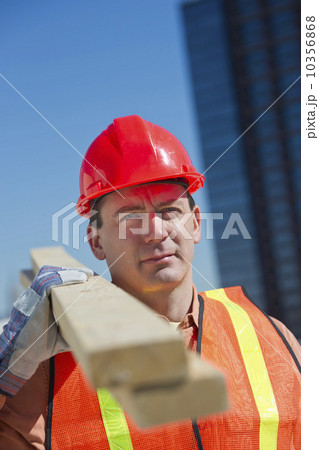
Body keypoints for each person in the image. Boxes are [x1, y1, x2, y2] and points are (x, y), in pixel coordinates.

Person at [0, 115, 300, 449]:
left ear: (196, 224)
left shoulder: (271, 338)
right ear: (96, 242)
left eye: (169, 210)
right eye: (130, 217)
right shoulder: (48, 368)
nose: (156, 232)